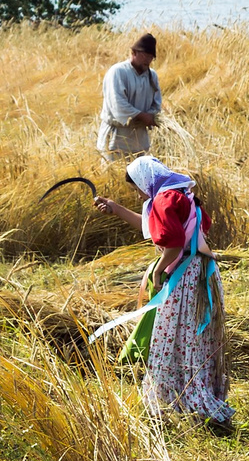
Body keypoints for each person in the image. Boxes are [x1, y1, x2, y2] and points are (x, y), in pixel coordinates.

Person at [94, 155, 231, 431]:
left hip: (184, 278)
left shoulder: (164, 200)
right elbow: (155, 229)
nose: (141, 193)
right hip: (201, 273)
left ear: (145, 180)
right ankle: (199, 392)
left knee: (177, 334)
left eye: (138, 188)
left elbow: (173, 243)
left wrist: (158, 271)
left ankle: (180, 400)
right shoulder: (181, 195)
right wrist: (116, 208)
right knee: (194, 336)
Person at [98, 34, 163, 160]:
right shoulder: (118, 72)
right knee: (113, 177)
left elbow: (156, 103)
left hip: (140, 140)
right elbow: (118, 104)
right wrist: (142, 116)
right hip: (116, 138)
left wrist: (151, 116)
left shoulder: (152, 76)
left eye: (151, 57)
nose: (148, 60)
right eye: (144, 55)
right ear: (133, 52)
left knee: (137, 178)